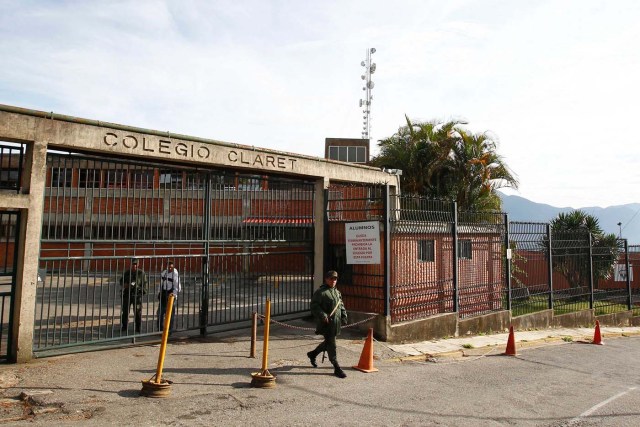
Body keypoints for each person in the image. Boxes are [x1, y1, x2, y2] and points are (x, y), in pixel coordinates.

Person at [307, 270, 348, 378]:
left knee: (328, 342)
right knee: (332, 345)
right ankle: (336, 367)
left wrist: (344, 316)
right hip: (326, 324)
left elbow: (341, 305)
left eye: (335, 279)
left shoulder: (336, 292)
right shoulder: (321, 292)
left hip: (336, 323)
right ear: (326, 279)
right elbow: (314, 306)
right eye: (331, 279)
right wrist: (323, 315)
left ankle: (313, 354)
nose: (333, 281)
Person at [119, 258, 148, 333]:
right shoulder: (127, 272)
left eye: (135, 264)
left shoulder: (141, 273)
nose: (134, 266)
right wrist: (125, 284)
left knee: (138, 312)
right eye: (133, 264)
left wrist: (140, 290)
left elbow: (145, 286)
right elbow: (121, 281)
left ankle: (138, 328)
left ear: (138, 264)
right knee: (125, 311)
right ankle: (124, 326)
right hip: (127, 294)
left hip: (137, 295)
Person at [157, 261, 181, 330]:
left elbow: (178, 287)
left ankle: (169, 330)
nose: (170, 268)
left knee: (170, 314)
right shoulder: (164, 273)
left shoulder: (175, 275)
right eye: (169, 267)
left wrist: (173, 295)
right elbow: (160, 284)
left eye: (171, 267)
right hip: (163, 294)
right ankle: (160, 329)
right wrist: (159, 293)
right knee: (160, 313)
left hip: (171, 296)